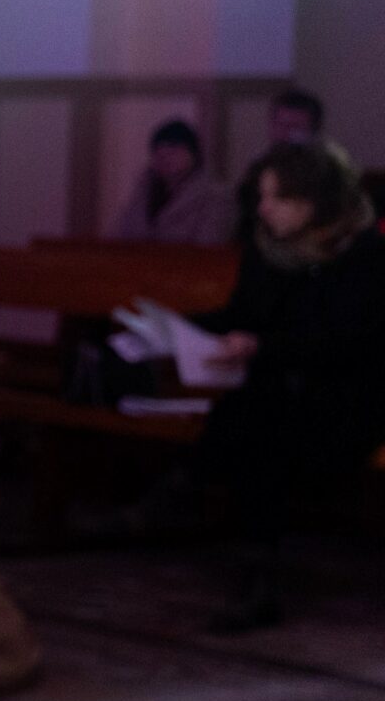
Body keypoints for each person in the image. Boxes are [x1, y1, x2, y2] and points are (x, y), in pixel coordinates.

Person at [192, 141, 385, 629]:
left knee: (262, 424)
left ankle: (179, 496)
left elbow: (346, 344)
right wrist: (180, 329)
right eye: (261, 196)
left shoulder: (364, 253)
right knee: (254, 415)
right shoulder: (267, 248)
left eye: (277, 197)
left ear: (313, 202)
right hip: (283, 391)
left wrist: (260, 346)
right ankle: (255, 575)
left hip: (351, 398)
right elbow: (243, 314)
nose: (263, 209)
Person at [108, 118, 230, 246]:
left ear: (193, 154)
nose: (166, 157)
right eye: (159, 152)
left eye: (173, 150)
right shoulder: (143, 192)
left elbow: (210, 245)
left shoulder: (215, 196)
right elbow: (119, 235)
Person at [233, 87, 329, 243]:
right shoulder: (257, 171)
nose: (285, 132)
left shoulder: (326, 174)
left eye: (295, 126)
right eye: (280, 124)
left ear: (313, 130)